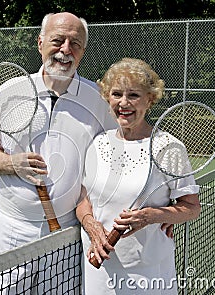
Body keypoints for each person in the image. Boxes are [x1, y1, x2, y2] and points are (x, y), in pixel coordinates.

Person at [0, 12, 115, 293]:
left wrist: (158, 207)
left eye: (75, 43)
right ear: (40, 43)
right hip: (12, 230)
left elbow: (112, 161)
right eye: (57, 40)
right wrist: (9, 162)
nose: (65, 50)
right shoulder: (10, 92)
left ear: (83, 52)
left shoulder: (99, 99)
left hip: (65, 234)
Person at [76, 58, 201, 294]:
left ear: (149, 99)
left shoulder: (169, 148)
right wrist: (90, 224)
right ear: (107, 97)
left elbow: (192, 208)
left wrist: (152, 216)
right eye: (116, 94)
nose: (123, 103)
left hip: (147, 273)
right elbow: (84, 198)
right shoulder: (98, 143)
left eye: (133, 95)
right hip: (98, 268)